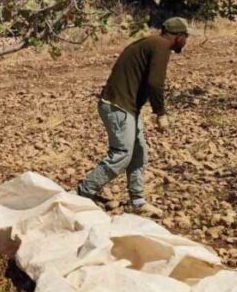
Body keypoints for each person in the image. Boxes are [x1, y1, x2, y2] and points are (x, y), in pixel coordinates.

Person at [73, 17, 189, 217]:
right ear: (179, 36)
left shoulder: (151, 43)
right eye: (186, 37)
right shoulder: (161, 46)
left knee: (138, 153)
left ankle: (137, 201)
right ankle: (81, 193)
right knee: (122, 154)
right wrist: (160, 113)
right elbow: (155, 83)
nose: (186, 42)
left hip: (125, 106)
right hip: (118, 106)